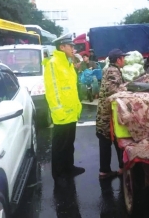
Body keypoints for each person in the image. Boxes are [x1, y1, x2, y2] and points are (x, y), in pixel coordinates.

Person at [44, 33, 85, 185]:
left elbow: (72, 89)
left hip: (71, 111)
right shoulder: (53, 63)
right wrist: (58, 110)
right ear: (62, 47)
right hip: (62, 113)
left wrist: (77, 106)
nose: (73, 48)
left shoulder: (68, 63)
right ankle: (58, 173)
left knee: (69, 143)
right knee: (59, 145)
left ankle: (69, 167)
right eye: (71, 46)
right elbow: (52, 90)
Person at [96, 48, 127, 180]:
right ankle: (116, 169)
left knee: (107, 142)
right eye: (123, 58)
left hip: (105, 112)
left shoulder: (109, 69)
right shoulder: (113, 71)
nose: (124, 60)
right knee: (115, 140)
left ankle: (107, 170)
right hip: (108, 114)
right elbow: (114, 91)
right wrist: (128, 88)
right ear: (118, 59)